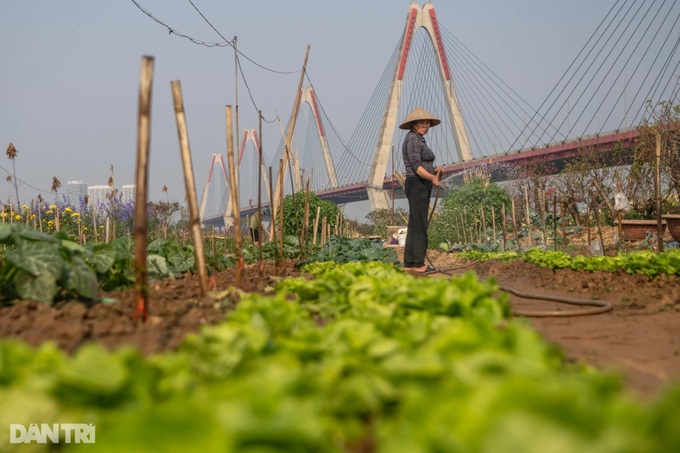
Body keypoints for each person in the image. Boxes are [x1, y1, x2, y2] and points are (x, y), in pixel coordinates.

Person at [400, 107, 442, 273]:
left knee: (415, 223)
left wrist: (433, 170)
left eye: (427, 123)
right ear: (414, 125)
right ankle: (419, 264)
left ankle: (410, 263)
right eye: (422, 123)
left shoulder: (417, 139)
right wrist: (432, 177)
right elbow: (416, 166)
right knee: (420, 225)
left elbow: (421, 164)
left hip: (419, 183)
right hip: (417, 183)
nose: (426, 126)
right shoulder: (413, 140)